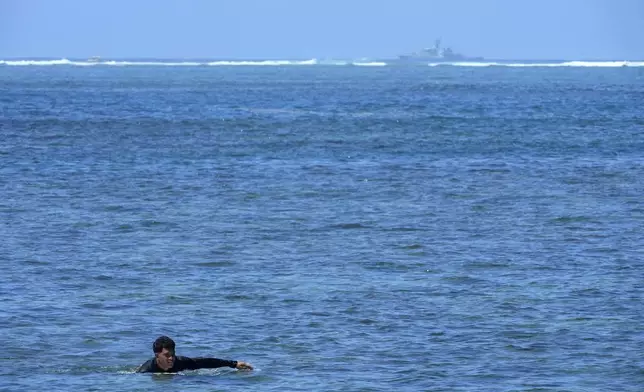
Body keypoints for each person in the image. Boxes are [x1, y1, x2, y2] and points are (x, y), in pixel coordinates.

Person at [136, 335, 253, 373]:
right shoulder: (146, 370)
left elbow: (206, 362)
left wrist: (233, 364)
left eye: (173, 354)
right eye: (167, 355)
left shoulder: (181, 362)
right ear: (157, 355)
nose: (171, 358)